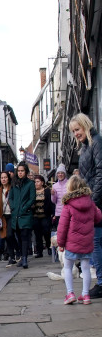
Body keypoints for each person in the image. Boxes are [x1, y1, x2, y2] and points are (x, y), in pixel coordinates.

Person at [69, 113, 102, 298]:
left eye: (77, 129)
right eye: (73, 131)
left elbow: (100, 173)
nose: (76, 133)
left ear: (85, 126)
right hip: (92, 199)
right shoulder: (85, 147)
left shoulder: (96, 142)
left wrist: (94, 202)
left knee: (94, 242)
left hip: (97, 201)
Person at [57, 175, 102, 305]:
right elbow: (98, 218)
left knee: (68, 267)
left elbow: (62, 226)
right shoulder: (90, 203)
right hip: (87, 241)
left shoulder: (68, 205)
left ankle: (70, 293)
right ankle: (85, 295)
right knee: (86, 268)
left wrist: (60, 243)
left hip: (72, 242)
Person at [8, 161, 36, 269]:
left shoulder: (30, 184)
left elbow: (32, 198)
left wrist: (24, 208)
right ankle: (21, 256)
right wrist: (13, 207)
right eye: (18, 171)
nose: (20, 173)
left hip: (25, 214)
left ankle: (24, 258)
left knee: (25, 236)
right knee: (18, 237)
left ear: (26, 172)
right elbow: (11, 197)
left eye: (22, 171)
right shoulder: (14, 184)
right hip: (16, 214)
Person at [0, 171, 15, 264]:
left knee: (10, 235)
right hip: (3, 217)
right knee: (5, 237)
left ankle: (14, 253)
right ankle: (11, 256)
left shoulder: (12, 189)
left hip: (12, 216)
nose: (4, 179)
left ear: (8, 178)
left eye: (5, 177)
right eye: (2, 178)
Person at [32, 174, 54, 258]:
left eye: (38, 182)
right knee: (37, 234)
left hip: (45, 215)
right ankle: (39, 251)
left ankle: (49, 246)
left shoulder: (47, 191)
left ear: (42, 182)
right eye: (35, 182)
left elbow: (51, 203)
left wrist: (53, 213)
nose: (36, 183)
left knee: (46, 231)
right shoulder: (32, 191)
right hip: (36, 215)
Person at [51, 164, 68, 231]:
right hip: (59, 213)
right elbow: (54, 201)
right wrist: (53, 195)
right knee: (61, 231)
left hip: (68, 212)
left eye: (62, 173)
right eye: (58, 173)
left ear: (64, 174)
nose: (60, 175)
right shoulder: (55, 186)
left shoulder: (69, 183)